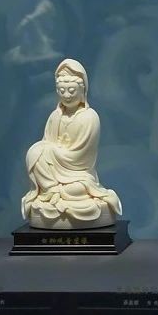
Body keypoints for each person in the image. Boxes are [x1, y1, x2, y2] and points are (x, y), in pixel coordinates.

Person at [20, 58, 123, 229]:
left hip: (77, 172)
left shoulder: (89, 117)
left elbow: (81, 155)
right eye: (62, 91)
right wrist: (49, 151)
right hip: (55, 171)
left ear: (82, 90)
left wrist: (54, 151)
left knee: (78, 189)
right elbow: (46, 142)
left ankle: (58, 193)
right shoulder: (55, 116)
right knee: (35, 151)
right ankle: (51, 190)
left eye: (71, 90)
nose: (66, 95)